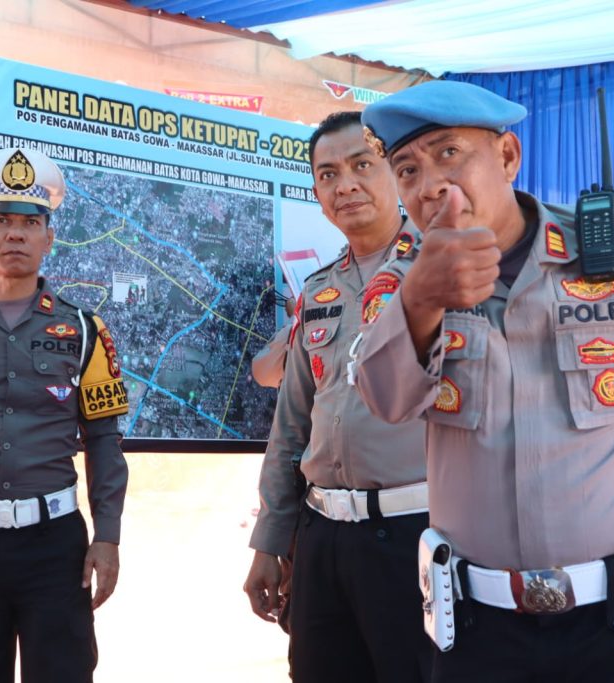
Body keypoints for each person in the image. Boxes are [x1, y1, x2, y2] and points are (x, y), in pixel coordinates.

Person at [353, 79, 614, 682]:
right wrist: (422, 302)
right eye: (407, 170)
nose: (429, 184)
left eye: (449, 153)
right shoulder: (400, 283)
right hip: (482, 630)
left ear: (508, 156)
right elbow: (384, 402)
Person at [0, 146, 129, 683]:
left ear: (49, 238)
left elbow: (104, 441)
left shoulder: (85, 331)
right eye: (1, 221)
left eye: (30, 223)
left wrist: (107, 536)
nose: (15, 234)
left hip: (55, 548)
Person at [243, 111, 433, 683]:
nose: (345, 184)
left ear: (395, 173)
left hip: (416, 536)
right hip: (321, 537)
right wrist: (270, 540)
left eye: (361, 165)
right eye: (328, 174)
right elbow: (291, 425)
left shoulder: (442, 269)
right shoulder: (319, 291)